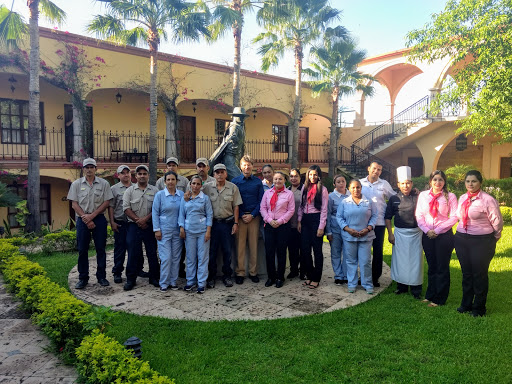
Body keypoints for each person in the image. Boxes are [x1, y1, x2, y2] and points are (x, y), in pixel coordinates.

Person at [454, 170, 503, 317]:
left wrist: (494, 237)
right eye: (468, 181)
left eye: (474, 181)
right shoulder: (462, 198)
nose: (470, 184)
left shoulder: (487, 200)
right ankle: (466, 304)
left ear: (480, 182)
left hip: (481, 241)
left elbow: (497, 222)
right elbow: (458, 216)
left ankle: (479, 308)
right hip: (462, 239)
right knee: (466, 273)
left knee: (479, 274)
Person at [67, 158, 113, 289]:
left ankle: (102, 277)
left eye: (91, 167)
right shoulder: (76, 184)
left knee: (101, 249)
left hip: (98, 219)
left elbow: (106, 202)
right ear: (83, 169)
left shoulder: (104, 184)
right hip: (82, 220)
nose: (89, 169)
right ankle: (83, 278)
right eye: (86, 167)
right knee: (82, 250)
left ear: (95, 169)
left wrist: (92, 216)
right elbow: (74, 204)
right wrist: (85, 218)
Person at [415, 170, 458, 307]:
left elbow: (455, 217)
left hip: (444, 235)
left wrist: (438, 230)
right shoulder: (423, 196)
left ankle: (440, 298)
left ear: (444, 182)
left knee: (442, 267)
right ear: (430, 181)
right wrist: (427, 230)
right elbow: (419, 215)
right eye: (435, 179)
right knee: (432, 265)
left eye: (440, 180)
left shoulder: (450, 197)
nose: (437, 183)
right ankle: (430, 294)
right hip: (427, 235)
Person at [385, 166, 423, 299]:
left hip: (416, 233)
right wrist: (390, 234)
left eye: (408, 183)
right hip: (400, 234)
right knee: (400, 261)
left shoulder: (419, 196)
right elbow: (388, 217)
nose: (405, 186)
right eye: (403, 183)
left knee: (415, 261)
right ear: (398, 185)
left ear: (411, 184)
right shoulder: (394, 199)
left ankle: (416, 289)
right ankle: (401, 287)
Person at [204, 163, 243, 288]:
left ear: (226, 173)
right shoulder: (207, 188)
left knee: (227, 251)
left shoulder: (233, 187)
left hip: (227, 223)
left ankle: (227, 276)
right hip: (213, 224)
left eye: (222, 172)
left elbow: (236, 206)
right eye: (217, 172)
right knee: (212, 252)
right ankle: (211, 277)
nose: (220, 174)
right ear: (214, 174)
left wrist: (236, 223)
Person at [122, 165, 160, 291]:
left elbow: (156, 208)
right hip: (134, 226)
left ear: (148, 175)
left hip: (150, 226)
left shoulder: (155, 191)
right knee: (133, 253)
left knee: (152, 252)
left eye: (144, 173)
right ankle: (131, 279)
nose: (142, 176)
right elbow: (126, 208)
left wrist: (146, 219)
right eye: (140, 174)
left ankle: (154, 277)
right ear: (136, 176)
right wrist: (138, 220)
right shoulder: (130, 191)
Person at [337, 179, 378, 294]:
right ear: (349, 189)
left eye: (358, 187)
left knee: (365, 261)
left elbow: (375, 216)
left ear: (361, 188)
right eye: (353, 188)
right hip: (349, 236)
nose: (356, 190)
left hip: (366, 236)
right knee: (350, 261)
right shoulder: (345, 202)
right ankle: (352, 283)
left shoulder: (368, 201)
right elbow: (339, 217)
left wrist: (368, 228)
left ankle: (367, 284)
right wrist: (348, 229)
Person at [360, 161, 396, 287]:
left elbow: (394, 197)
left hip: (379, 223)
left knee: (378, 251)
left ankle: (375, 277)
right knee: (363, 251)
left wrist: (411, 194)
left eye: (379, 170)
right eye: (374, 168)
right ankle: (363, 276)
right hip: (362, 223)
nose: (376, 171)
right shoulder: (360, 183)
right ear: (368, 168)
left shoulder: (384, 184)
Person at [231, 155, 264, 284]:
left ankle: (253, 272)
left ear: (252, 167)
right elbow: (233, 201)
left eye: (249, 164)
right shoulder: (235, 181)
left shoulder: (257, 182)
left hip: (253, 218)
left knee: (253, 245)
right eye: (245, 165)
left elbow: (261, 201)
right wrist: (239, 216)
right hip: (239, 217)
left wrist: (253, 215)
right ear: (241, 166)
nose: (247, 167)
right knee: (239, 246)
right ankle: (240, 272)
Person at [178, 175, 213, 294]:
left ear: (201, 186)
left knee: (202, 258)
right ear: (190, 185)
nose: (196, 186)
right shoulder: (186, 198)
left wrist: (208, 231)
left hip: (202, 231)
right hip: (189, 232)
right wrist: (181, 228)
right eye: (193, 183)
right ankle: (190, 281)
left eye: (198, 184)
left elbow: (209, 215)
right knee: (190, 258)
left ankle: (202, 283)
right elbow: (181, 214)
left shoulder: (205, 198)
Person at [260, 171, 295, 288]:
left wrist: (279, 221)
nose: (277, 181)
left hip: (283, 226)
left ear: (284, 180)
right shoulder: (267, 193)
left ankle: (280, 277)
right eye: (275, 179)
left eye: (280, 179)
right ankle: (271, 277)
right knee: (269, 252)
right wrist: (269, 220)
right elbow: (263, 208)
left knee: (281, 252)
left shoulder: (289, 194)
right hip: (269, 225)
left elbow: (291, 211)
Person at [298, 165, 329, 289]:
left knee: (317, 251)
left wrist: (321, 227)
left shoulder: (323, 189)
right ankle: (310, 275)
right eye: (310, 174)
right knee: (305, 250)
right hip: (305, 220)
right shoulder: (304, 188)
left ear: (319, 176)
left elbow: (324, 209)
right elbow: (301, 206)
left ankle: (317, 278)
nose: (312, 177)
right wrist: (299, 221)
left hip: (316, 220)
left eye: (315, 174)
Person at [152, 171, 184, 291]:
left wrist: (182, 227)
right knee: (166, 257)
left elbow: (184, 210)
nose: (170, 182)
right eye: (168, 180)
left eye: (173, 179)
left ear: (177, 181)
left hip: (177, 230)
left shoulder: (181, 195)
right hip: (164, 230)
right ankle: (164, 282)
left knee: (176, 257)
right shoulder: (160, 195)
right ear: (165, 182)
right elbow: (155, 213)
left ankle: (173, 281)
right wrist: (157, 229)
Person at [108, 165, 136, 284]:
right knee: (120, 249)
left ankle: (136, 270)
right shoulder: (114, 189)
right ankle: (117, 272)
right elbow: (111, 207)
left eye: (127, 172)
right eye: (122, 173)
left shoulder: (136, 187)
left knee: (134, 248)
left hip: (132, 223)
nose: (125, 175)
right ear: (118, 175)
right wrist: (112, 222)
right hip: (119, 222)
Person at [209, 107, 247, 180]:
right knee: (239, 178)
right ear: (234, 117)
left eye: (242, 117)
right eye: (239, 116)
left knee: (239, 178)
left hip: (236, 158)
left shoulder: (240, 127)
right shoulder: (234, 126)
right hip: (230, 158)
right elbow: (230, 138)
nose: (241, 118)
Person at [326, 174, 351, 285]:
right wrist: (328, 231)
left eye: (343, 181)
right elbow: (327, 213)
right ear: (334, 184)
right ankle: (338, 275)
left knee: (347, 252)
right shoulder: (331, 197)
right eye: (338, 182)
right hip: (335, 228)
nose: (341, 184)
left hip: (348, 229)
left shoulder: (351, 195)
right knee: (335, 252)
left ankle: (346, 275)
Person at [286, 168, 303, 279]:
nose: (293, 178)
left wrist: (300, 221)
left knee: (303, 249)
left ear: (300, 177)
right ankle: (294, 270)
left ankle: (304, 270)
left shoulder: (304, 190)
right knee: (292, 250)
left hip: (302, 224)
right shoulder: (287, 190)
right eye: (291, 176)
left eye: (296, 176)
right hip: (289, 224)